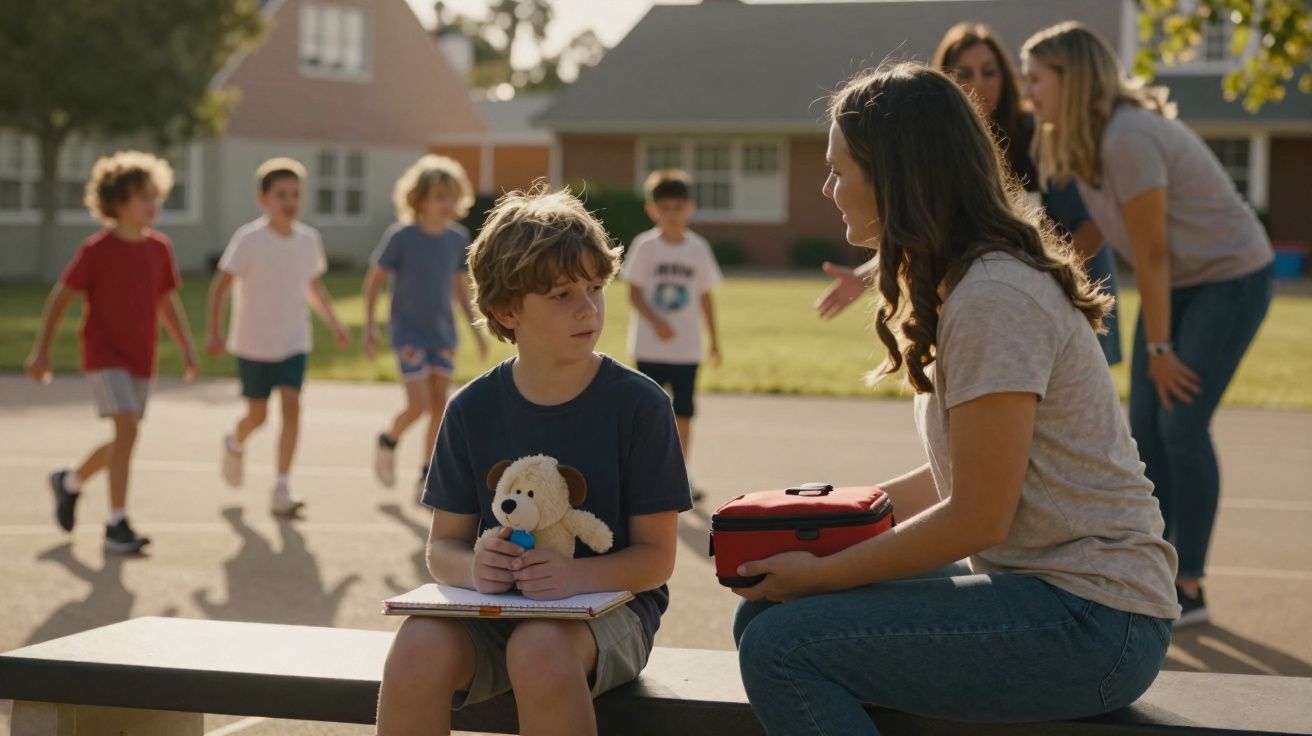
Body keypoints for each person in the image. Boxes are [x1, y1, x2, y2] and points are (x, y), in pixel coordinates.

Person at [732, 63, 1179, 735]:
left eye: (839, 168)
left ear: (895, 174)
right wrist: (829, 523)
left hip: (1095, 622)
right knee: (763, 613)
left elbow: (976, 517)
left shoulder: (993, 296)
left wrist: (823, 575)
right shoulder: (962, 281)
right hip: (1055, 601)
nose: (828, 188)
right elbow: (966, 474)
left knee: (781, 646)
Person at [375, 187, 692, 735]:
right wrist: (473, 566)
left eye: (595, 287)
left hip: (609, 615)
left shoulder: (640, 405)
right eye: (562, 294)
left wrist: (575, 575)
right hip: (499, 614)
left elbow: (656, 561)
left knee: (540, 649)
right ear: (506, 309)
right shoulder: (470, 408)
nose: (588, 308)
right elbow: (443, 547)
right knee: (416, 647)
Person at [1022, 22, 1275, 626]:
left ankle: (1190, 583)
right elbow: (1104, 232)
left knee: (1181, 424)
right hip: (1182, 282)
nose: (1028, 92)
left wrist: (1159, 344)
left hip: (1230, 279)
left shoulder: (1128, 137)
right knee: (1144, 427)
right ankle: (1152, 567)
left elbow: (1153, 249)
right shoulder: (1081, 141)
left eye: (1036, 78)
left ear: (1072, 78)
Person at [817, 22, 1123, 367]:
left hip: (1059, 283)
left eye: (989, 71)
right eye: (963, 72)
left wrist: (1044, 281)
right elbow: (930, 222)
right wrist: (867, 275)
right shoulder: (941, 151)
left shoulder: (1036, 136)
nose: (978, 84)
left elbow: (1093, 225)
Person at [24, 150, 199, 554]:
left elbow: (167, 303)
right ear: (118, 202)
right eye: (143, 197)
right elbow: (61, 297)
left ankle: (69, 481)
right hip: (104, 355)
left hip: (142, 357)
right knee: (127, 428)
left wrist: (187, 349)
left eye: (156, 196)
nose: (153, 204)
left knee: (125, 436)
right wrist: (42, 351)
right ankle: (116, 524)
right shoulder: (97, 250)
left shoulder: (159, 249)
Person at [205, 157, 351, 517]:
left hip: (293, 342)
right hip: (253, 343)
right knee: (257, 415)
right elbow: (221, 285)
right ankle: (235, 440)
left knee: (291, 405)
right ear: (263, 199)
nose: (289, 201)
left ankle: (282, 486)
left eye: (295, 194)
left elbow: (312, 287)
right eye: (281, 194)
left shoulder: (307, 241)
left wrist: (334, 324)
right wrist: (214, 331)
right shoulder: (249, 240)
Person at [363, 155, 488, 491]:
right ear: (419, 199)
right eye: (438, 197)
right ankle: (389, 439)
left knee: (439, 406)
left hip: (443, 335)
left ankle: (425, 472)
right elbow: (374, 280)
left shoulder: (457, 237)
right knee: (417, 405)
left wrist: (476, 331)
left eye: (451, 196)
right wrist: (370, 328)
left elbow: (460, 288)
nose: (446, 204)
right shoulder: (401, 236)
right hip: (409, 334)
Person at [621, 169, 723, 500]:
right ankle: (642, 473)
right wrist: (655, 322)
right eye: (665, 208)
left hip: (686, 350)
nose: (672, 214)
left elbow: (706, 296)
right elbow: (633, 292)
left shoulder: (698, 249)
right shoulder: (645, 247)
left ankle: (681, 473)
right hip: (650, 348)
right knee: (648, 413)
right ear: (653, 210)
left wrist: (715, 341)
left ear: (689, 208)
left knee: (684, 413)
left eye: (678, 208)